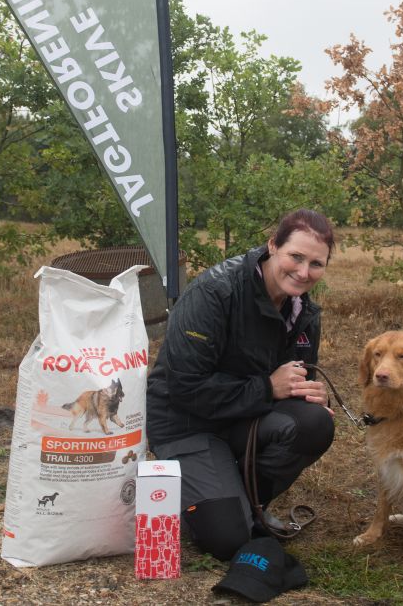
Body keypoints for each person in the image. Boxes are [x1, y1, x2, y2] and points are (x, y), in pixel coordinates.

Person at [146, 209, 336, 560]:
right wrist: (268, 388)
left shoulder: (304, 312)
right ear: (272, 246)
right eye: (295, 256)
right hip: (185, 424)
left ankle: (247, 503)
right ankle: (210, 501)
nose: (304, 272)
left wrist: (307, 394)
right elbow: (185, 387)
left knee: (315, 423)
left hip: (242, 418)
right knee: (228, 540)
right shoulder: (215, 292)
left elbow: (295, 382)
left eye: (316, 264)